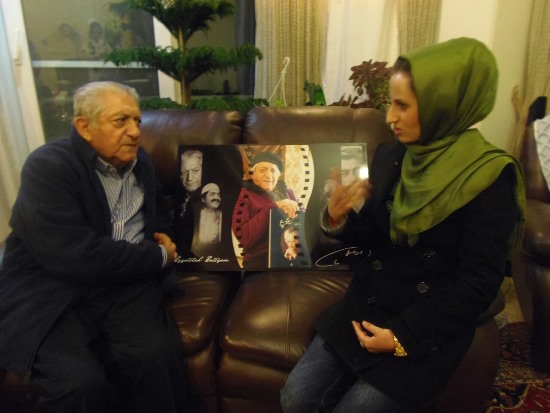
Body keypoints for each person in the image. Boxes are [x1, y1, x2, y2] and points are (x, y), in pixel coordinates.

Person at [280, 37, 526, 412]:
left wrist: (402, 336)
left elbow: (478, 284)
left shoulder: (489, 178)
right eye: (390, 103)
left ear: (443, 106)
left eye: (403, 105)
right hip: (369, 304)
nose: (390, 117)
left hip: (428, 322)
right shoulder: (394, 155)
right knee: (295, 398)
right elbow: (378, 236)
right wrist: (339, 218)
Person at [0, 81, 188, 412]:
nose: (134, 132)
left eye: (137, 121)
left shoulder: (141, 163)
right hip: (55, 288)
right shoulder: (48, 166)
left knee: (153, 359)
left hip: (126, 284)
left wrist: (164, 234)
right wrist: (158, 255)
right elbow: (75, 255)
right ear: (84, 127)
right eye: (121, 121)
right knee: (78, 384)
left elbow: (158, 213)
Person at [232, 151, 301, 268]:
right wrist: (274, 207)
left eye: (273, 170)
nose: (269, 175)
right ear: (253, 174)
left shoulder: (288, 192)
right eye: (262, 170)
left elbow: (303, 220)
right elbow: (244, 238)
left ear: (279, 175)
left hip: (291, 255)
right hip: (260, 258)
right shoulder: (244, 195)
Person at [192, 182, 223, 255]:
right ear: (203, 199)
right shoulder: (196, 215)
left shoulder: (222, 216)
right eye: (212, 194)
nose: (217, 198)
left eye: (218, 195)